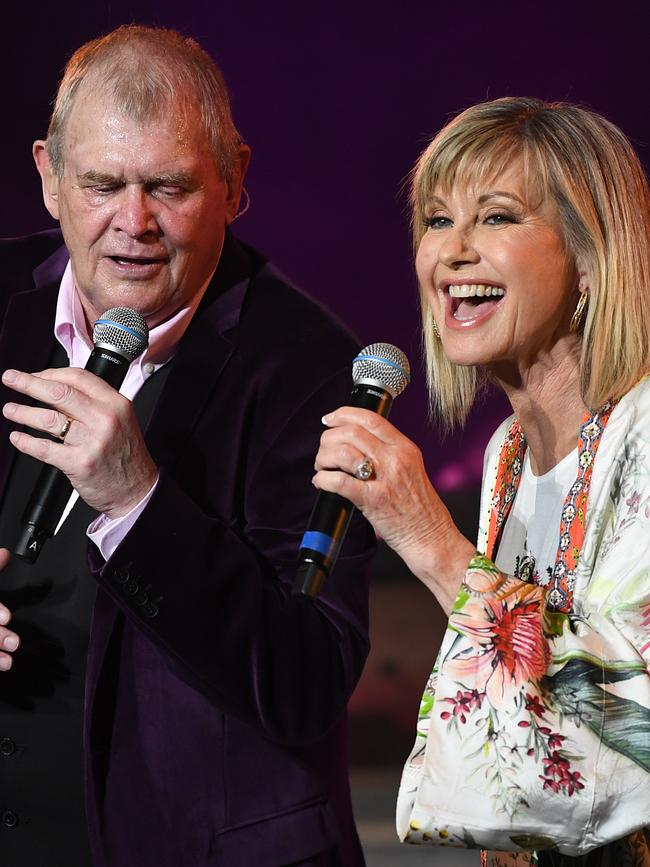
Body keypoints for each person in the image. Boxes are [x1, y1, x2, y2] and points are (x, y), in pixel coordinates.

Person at [0, 24, 374, 867]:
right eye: (101, 184)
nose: (133, 223)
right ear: (48, 177)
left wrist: (137, 498)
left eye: (168, 187)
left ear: (234, 180)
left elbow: (307, 678)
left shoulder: (315, 374)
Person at [313, 97, 650, 866]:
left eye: (496, 217)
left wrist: (431, 541)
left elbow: (634, 723)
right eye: (436, 221)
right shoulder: (507, 453)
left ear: (592, 257)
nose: (452, 251)